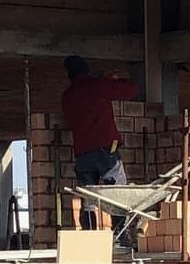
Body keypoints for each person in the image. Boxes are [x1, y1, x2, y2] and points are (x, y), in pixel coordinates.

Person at [60, 55, 140, 216]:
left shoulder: (67, 96)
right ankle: (120, 237)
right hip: (104, 149)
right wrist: (114, 80)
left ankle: (90, 236)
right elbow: (131, 90)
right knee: (118, 194)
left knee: (88, 199)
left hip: (82, 153)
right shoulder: (97, 85)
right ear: (87, 70)